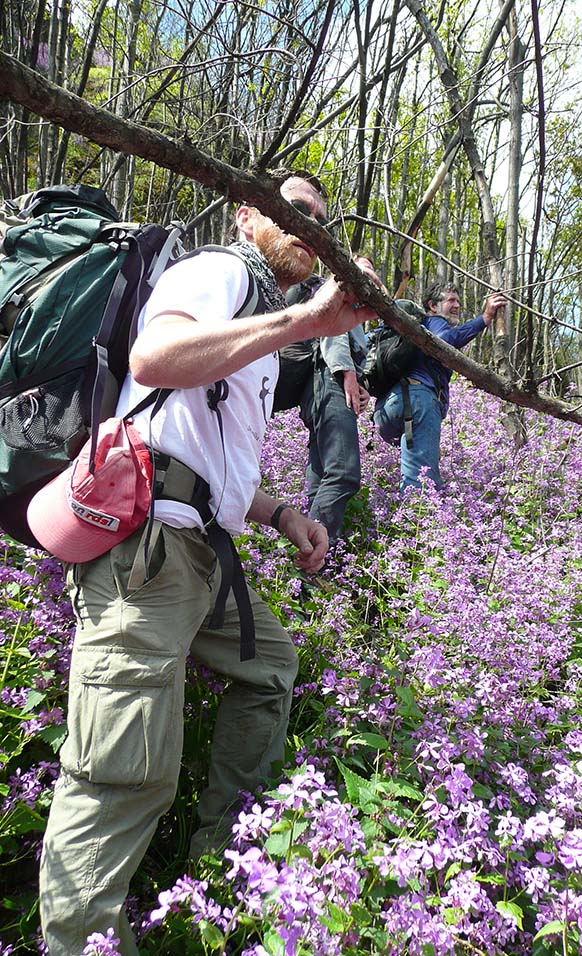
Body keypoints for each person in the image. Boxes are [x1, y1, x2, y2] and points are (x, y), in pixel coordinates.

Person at [37, 169, 380, 956]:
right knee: (120, 775)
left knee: (271, 668)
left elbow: (202, 454)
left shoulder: (256, 323)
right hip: (149, 557)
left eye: (320, 222)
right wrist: (302, 324)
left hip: (200, 554)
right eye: (292, 214)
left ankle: (223, 870)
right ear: (245, 216)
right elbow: (155, 360)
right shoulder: (219, 271)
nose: (306, 229)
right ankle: (79, 943)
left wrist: (281, 511)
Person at [374, 282, 507, 492]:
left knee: (413, 470)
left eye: (458, 301)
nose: (457, 305)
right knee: (422, 480)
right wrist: (485, 318)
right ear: (433, 306)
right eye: (451, 300)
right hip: (418, 400)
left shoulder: (412, 332)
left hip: (387, 408)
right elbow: (444, 341)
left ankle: (407, 513)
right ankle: (418, 521)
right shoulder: (434, 322)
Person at [293, 253, 377, 548]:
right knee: (344, 473)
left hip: (319, 388)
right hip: (329, 381)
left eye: (370, 267)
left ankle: (307, 563)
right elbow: (333, 335)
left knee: (321, 475)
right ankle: (318, 554)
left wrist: (358, 382)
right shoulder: (337, 294)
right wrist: (347, 374)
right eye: (361, 266)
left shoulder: (353, 307)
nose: (367, 272)